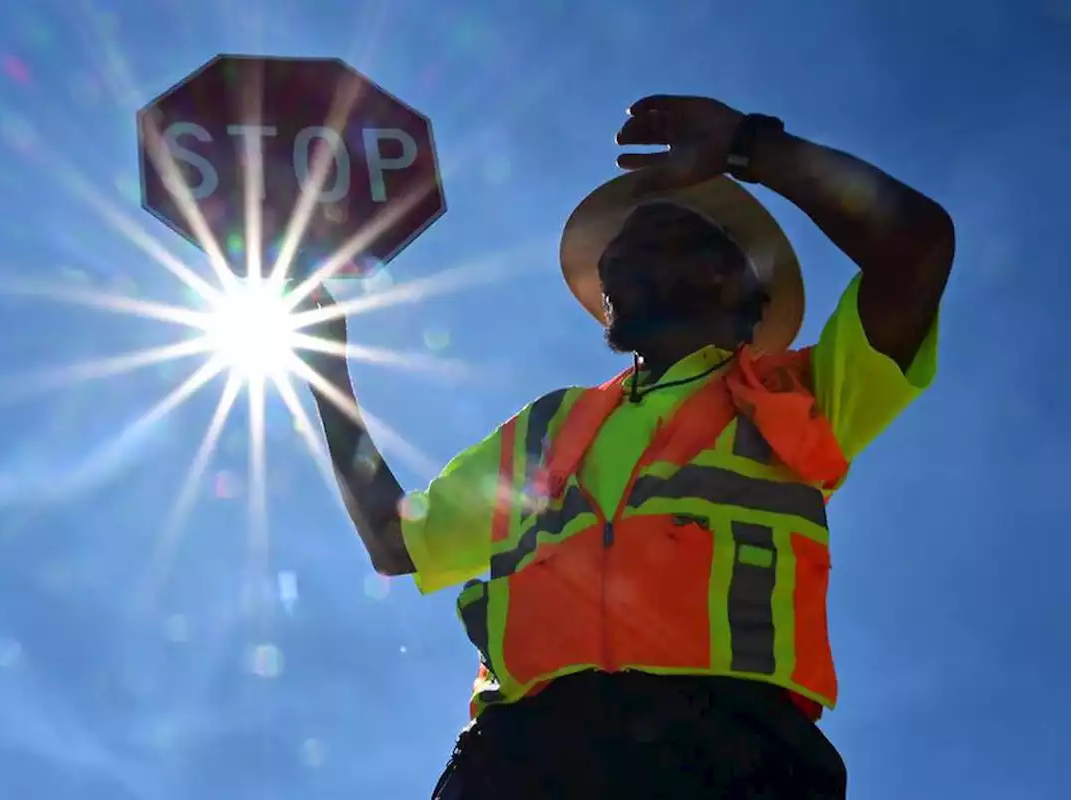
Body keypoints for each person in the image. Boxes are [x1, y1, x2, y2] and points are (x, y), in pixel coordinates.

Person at [303, 95, 954, 798]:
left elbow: (914, 248)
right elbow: (398, 544)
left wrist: (749, 147)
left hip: (733, 758)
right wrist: (327, 377)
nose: (611, 259)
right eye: (616, 251)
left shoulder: (802, 394)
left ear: (730, 276)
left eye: (650, 237)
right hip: (515, 760)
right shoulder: (548, 426)